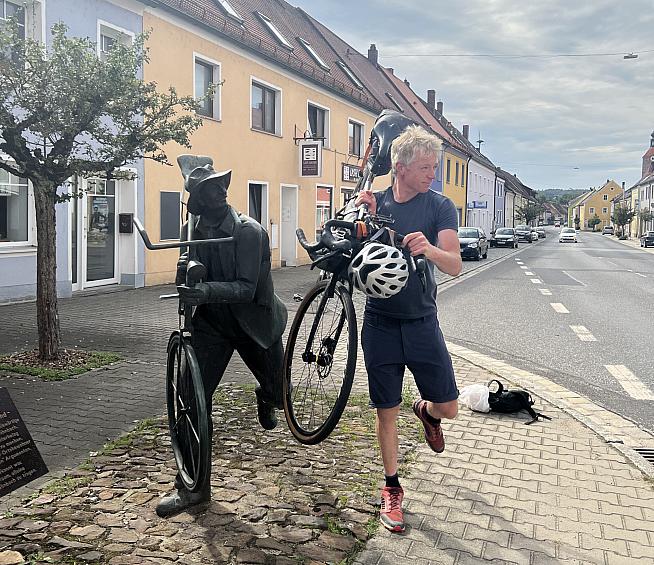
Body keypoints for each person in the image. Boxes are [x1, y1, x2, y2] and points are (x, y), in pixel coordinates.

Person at [156, 158, 287, 518]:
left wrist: (207, 289)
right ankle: (192, 487)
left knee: (281, 394)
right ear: (197, 199)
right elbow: (186, 271)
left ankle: (267, 396)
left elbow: (246, 289)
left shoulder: (249, 231)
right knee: (189, 401)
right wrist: (187, 271)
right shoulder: (192, 227)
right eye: (210, 187)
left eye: (220, 184)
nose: (220, 190)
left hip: (254, 323)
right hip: (211, 324)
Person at [354, 125, 462, 533]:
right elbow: (352, 248)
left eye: (434, 167)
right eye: (424, 167)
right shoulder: (375, 202)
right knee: (386, 411)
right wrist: (359, 215)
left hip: (421, 322)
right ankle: (392, 489)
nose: (432, 174)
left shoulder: (440, 207)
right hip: (379, 323)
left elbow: (455, 264)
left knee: (448, 408)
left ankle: (426, 412)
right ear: (399, 168)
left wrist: (429, 249)